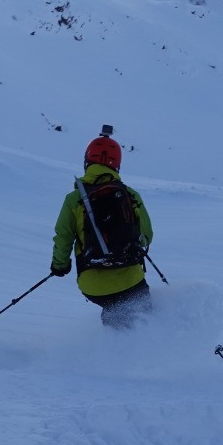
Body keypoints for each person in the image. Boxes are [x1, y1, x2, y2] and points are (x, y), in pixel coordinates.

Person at [51, 129, 155, 328]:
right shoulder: (130, 195)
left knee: (113, 311)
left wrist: (59, 266)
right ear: (117, 165)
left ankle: (110, 346)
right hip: (131, 279)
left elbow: (63, 237)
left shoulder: (74, 199)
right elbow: (147, 235)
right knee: (146, 321)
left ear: (87, 162)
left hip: (93, 285)